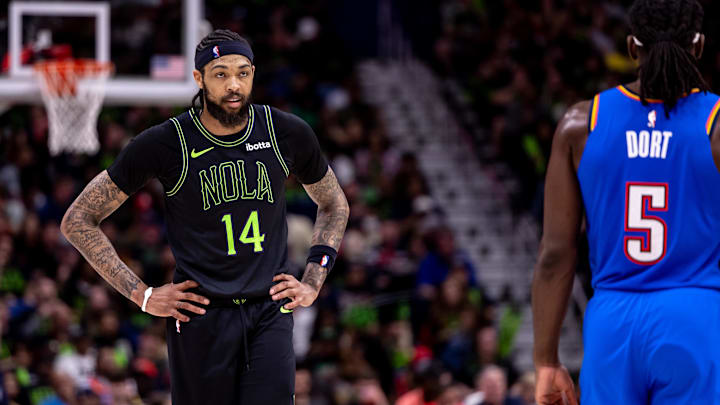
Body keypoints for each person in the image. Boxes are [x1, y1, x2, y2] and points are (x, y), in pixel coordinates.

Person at [60, 29, 349, 405]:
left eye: (243, 73)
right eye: (221, 73)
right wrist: (142, 295)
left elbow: (334, 203)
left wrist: (312, 281)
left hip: (268, 312)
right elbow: (78, 219)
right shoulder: (166, 142)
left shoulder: (285, 132)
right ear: (199, 79)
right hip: (201, 318)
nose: (234, 85)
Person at [531, 0, 720, 404]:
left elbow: (555, 254)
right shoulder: (716, 124)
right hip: (696, 316)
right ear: (699, 46)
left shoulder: (581, 123)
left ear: (632, 48)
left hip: (612, 324)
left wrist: (546, 360)